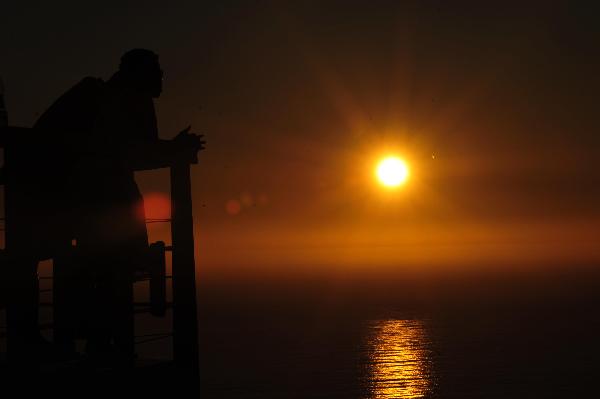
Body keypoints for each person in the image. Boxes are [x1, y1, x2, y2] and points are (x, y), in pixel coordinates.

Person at [7, 49, 204, 365]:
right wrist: (173, 149)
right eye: (157, 72)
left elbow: (130, 151)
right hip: (71, 200)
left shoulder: (119, 99)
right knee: (100, 265)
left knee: (97, 266)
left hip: (77, 201)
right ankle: (89, 343)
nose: (162, 78)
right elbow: (125, 151)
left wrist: (170, 147)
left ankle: (85, 341)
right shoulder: (102, 97)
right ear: (138, 75)